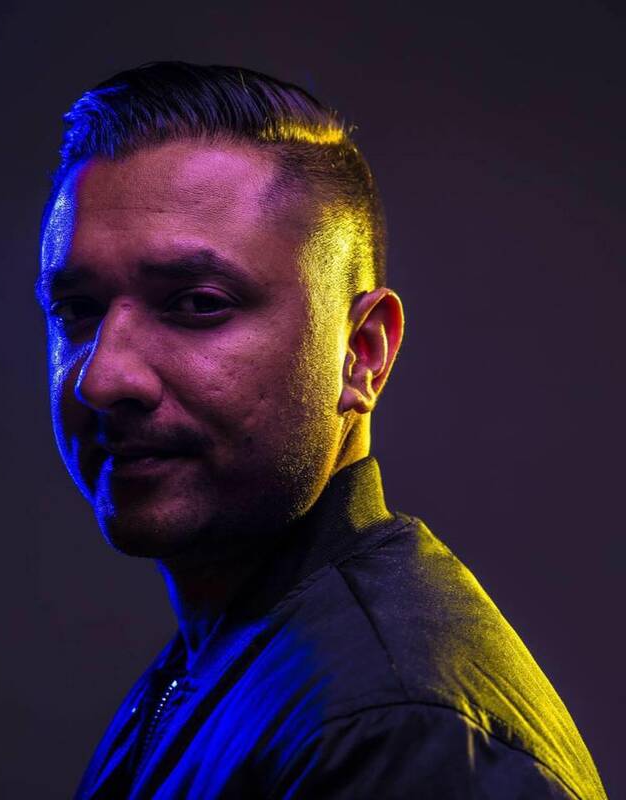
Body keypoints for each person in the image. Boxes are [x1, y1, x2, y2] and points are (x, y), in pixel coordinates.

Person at [35, 62, 606, 799]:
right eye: (78, 310)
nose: (104, 378)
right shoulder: (229, 656)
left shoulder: (398, 729)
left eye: (197, 304)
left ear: (361, 353)